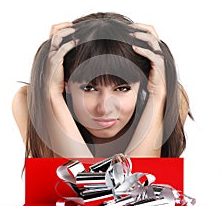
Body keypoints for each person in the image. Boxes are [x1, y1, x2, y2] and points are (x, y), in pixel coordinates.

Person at [12, 12, 191, 159]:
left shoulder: (171, 98)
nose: (104, 108)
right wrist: (52, 94)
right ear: (64, 82)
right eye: (89, 88)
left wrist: (158, 94)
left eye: (122, 88)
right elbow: (78, 187)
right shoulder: (28, 101)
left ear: (144, 83)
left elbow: (134, 192)